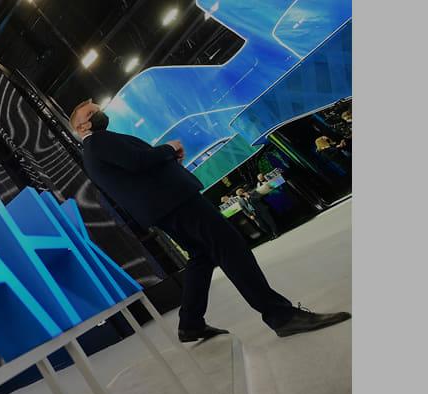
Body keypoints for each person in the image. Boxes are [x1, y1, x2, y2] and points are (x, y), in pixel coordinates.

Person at [69, 99, 350, 340]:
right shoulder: (99, 141)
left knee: (201, 257)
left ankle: (190, 323)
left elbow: (134, 170)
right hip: (176, 202)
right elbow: (138, 161)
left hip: (164, 209)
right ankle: (281, 315)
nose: (99, 114)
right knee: (231, 248)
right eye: (92, 114)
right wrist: (169, 149)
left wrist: (165, 160)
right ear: (82, 128)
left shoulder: (92, 154)